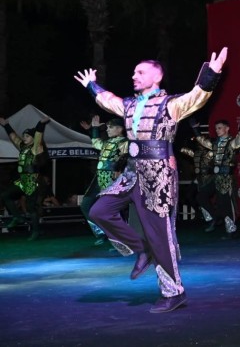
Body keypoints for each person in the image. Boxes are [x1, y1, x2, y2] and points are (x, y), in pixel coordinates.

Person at [73, 46, 227, 313]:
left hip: (159, 175)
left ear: (157, 77)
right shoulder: (129, 105)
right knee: (99, 210)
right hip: (132, 172)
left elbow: (196, 97)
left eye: (140, 72)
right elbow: (108, 100)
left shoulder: (171, 104)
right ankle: (141, 248)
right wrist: (91, 85)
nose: (134, 76)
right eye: (134, 72)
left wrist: (211, 73)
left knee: (161, 235)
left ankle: (174, 292)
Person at [192, 110, 240, 238]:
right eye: (216, 128)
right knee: (201, 196)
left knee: (225, 204)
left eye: (219, 128)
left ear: (227, 129)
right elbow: (202, 141)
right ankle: (214, 217)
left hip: (226, 178)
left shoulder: (232, 143)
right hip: (215, 177)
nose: (217, 130)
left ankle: (231, 230)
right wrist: (195, 129)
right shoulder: (215, 144)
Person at [79, 115, 128, 245]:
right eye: (107, 128)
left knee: (114, 208)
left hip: (113, 177)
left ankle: (121, 238)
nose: (107, 130)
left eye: (110, 127)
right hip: (99, 178)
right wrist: (94, 128)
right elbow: (96, 143)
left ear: (119, 129)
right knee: (86, 205)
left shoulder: (125, 142)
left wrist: (118, 169)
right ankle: (101, 232)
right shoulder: (107, 142)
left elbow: (125, 157)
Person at [0, 116, 50, 241]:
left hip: (32, 181)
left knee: (31, 207)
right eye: (24, 136)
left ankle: (36, 231)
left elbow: (38, 135)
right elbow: (14, 137)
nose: (24, 138)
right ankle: (18, 217)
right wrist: (6, 125)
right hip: (22, 180)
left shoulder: (36, 148)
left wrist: (40, 124)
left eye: (27, 136)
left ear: (32, 138)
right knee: (5, 195)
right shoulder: (23, 147)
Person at [178, 120, 215, 224]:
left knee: (202, 197)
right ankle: (201, 214)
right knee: (190, 195)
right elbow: (184, 150)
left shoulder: (211, 152)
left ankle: (212, 217)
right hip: (199, 178)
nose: (199, 143)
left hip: (209, 178)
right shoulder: (196, 153)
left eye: (201, 142)